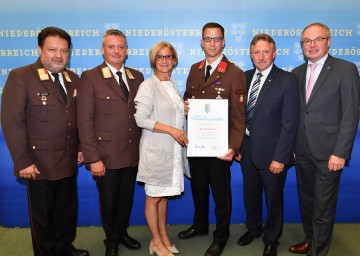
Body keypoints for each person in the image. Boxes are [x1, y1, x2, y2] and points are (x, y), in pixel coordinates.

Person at [1, 27, 89, 256]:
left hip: (68, 160)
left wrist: (80, 148)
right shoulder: (21, 76)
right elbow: (13, 122)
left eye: (64, 50)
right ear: (40, 49)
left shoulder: (73, 79)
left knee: (66, 211)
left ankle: (64, 247)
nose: (58, 55)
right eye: (52, 49)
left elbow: (78, 118)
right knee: (43, 217)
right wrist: (23, 161)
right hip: (38, 163)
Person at [288, 22, 360, 256]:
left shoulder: (345, 69)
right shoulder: (296, 73)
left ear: (328, 41)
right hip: (302, 152)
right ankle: (310, 240)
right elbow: (296, 114)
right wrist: (294, 148)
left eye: (317, 39)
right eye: (307, 41)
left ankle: (317, 252)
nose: (312, 45)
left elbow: (351, 113)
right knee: (307, 202)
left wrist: (341, 152)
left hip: (330, 152)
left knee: (323, 206)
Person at [178, 22, 246, 256]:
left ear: (224, 42)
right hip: (197, 143)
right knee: (198, 189)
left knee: (220, 194)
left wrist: (233, 146)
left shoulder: (234, 73)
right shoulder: (195, 69)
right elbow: (188, 98)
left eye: (217, 39)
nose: (212, 43)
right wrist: (186, 105)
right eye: (208, 39)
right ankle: (200, 225)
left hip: (220, 147)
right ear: (201, 42)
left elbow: (239, 118)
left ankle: (221, 235)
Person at [77, 29, 144, 256]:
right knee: (108, 202)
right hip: (104, 155)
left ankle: (122, 232)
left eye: (121, 47)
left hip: (132, 153)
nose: (117, 51)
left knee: (127, 199)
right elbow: (84, 121)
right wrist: (92, 158)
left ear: (127, 51)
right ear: (103, 49)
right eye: (111, 47)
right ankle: (112, 240)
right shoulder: (90, 77)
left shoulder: (137, 77)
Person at [235, 34, 300, 256]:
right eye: (256, 52)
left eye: (265, 52)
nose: (261, 57)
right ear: (251, 54)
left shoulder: (287, 80)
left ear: (274, 53)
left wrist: (281, 157)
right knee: (250, 194)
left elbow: (290, 123)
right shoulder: (243, 78)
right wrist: (236, 146)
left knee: (273, 199)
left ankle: (272, 238)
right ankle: (253, 229)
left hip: (273, 153)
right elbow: (236, 116)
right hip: (246, 149)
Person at [134, 41, 189, 256]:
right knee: (153, 197)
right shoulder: (148, 85)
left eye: (168, 56)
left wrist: (183, 109)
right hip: (156, 150)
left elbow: (171, 113)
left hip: (172, 152)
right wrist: (172, 130)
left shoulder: (173, 85)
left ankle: (164, 236)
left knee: (164, 196)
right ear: (153, 61)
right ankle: (155, 242)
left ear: (174, 60)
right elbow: (141, 119)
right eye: (160, 57)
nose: (164, 60)